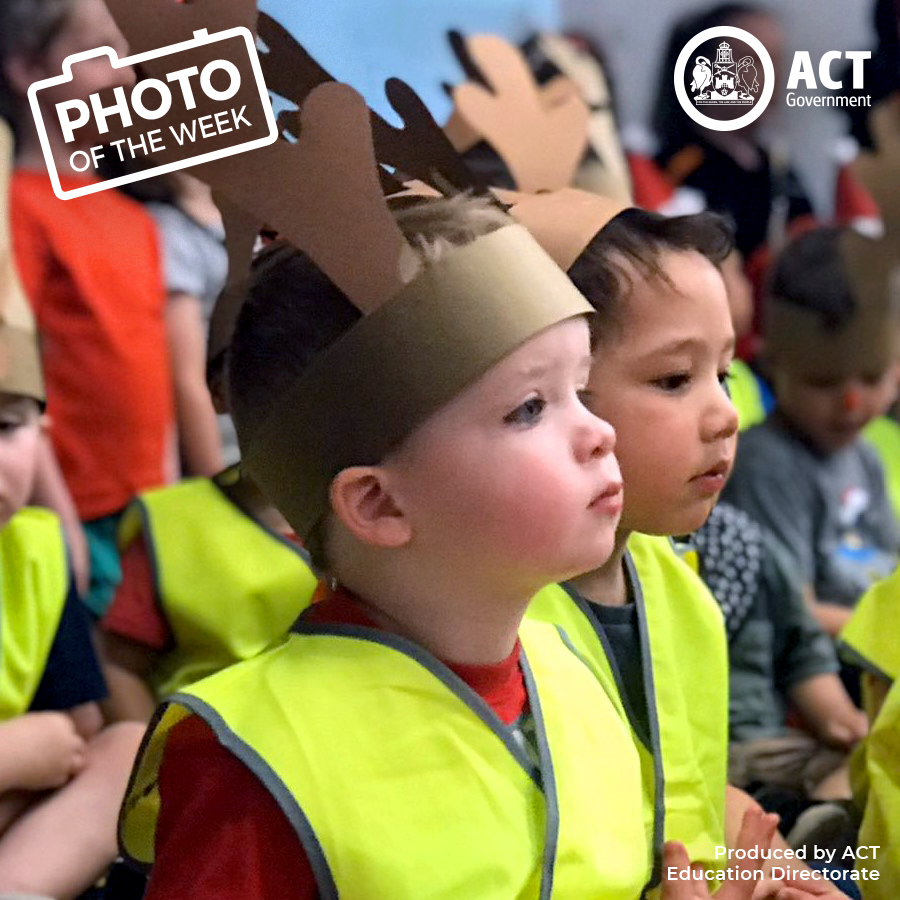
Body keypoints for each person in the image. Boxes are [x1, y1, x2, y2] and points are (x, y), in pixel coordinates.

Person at [115, 69, 666, 897]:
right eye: (529, 409)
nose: (599, 432)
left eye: (580, 391)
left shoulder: (571, 671)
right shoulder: (254, 757)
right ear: (377, 503)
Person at [0, 115, 143, 900]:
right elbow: (40, 748)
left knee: (125, 744)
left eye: (6, 427)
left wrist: (36, 752)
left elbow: (76, 736)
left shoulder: (34, 550)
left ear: (42, 431)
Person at [1, 0, 175, 617]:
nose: (126, 71)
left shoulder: (139, 222)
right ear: (26, 67)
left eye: (127, 51)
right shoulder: (18, 208)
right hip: (74, 508)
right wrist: (59, 516)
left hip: (148, 508)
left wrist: (173, 498)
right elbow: (16, 377)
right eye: (104, 50)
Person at [99, 297, 318, 722]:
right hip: (212, 764)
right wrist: (151, 769)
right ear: (220, 390)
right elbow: (119, 665)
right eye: (269, 375)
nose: (298, 397)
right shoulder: (175, 525)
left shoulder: (402, 508)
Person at [723, 227, 900, 638]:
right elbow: (796, 615)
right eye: (823, 382)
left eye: (872, 378)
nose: (851, 404)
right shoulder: (765, 465)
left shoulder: (865, 456)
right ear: (773, 367)